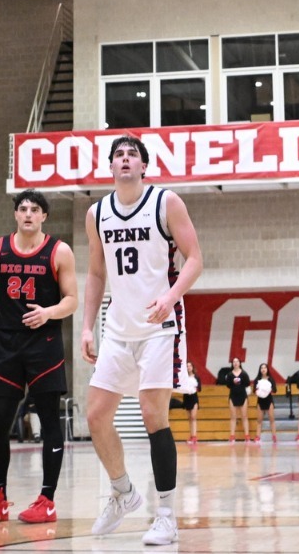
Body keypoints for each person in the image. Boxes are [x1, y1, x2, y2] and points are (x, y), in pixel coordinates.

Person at [80, 135, 205, 544]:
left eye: (133, 153)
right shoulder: (97, 213)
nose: (125, 159)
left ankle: (166, 514)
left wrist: (170, 297)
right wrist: (87, 326)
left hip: (159, 325)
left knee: (155, 416)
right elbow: (96, 274)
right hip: (117, 326)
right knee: (96, 415)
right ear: (111, 167)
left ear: (143, 165)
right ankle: (122, 493)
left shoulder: (165, 202)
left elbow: (195, 259)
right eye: (119, 154)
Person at [0, 190, 77, 525]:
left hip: (44, 341)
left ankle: (47, 499)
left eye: (35, 209)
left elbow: (71, 299)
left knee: (48, 419)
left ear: (44, 216)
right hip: (7, 343)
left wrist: (48, 313)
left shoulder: (59, 251)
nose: (28, 214)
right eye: (23, 209)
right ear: (16, 215)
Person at [219, 358, 252, 442]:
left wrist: (241, 382)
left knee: (244, 416)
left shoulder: (244, 373)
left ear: (240, 363)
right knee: (233, 417)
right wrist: (232, 382)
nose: (235, 363)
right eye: (234, 362)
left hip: (243, 396)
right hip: (233, 396)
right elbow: (228, 385)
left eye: (237, 361)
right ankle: (232, 436)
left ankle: (247, 436)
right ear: (232, 363)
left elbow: (248, 383)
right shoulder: (229, 374)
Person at [254, 364, 277, 441]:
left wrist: (269, 390)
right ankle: (258, 436)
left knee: (272, 419)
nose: (263, 369)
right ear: (260, 370)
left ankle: (274, 436)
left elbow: (275, 390)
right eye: (262, 368)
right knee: (259, 420)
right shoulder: (257, 380)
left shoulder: (271, 379)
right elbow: (254, 390)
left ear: (267, 369)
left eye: (265, 368)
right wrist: (258, 391)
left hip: (269, 401)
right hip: (260, 401)